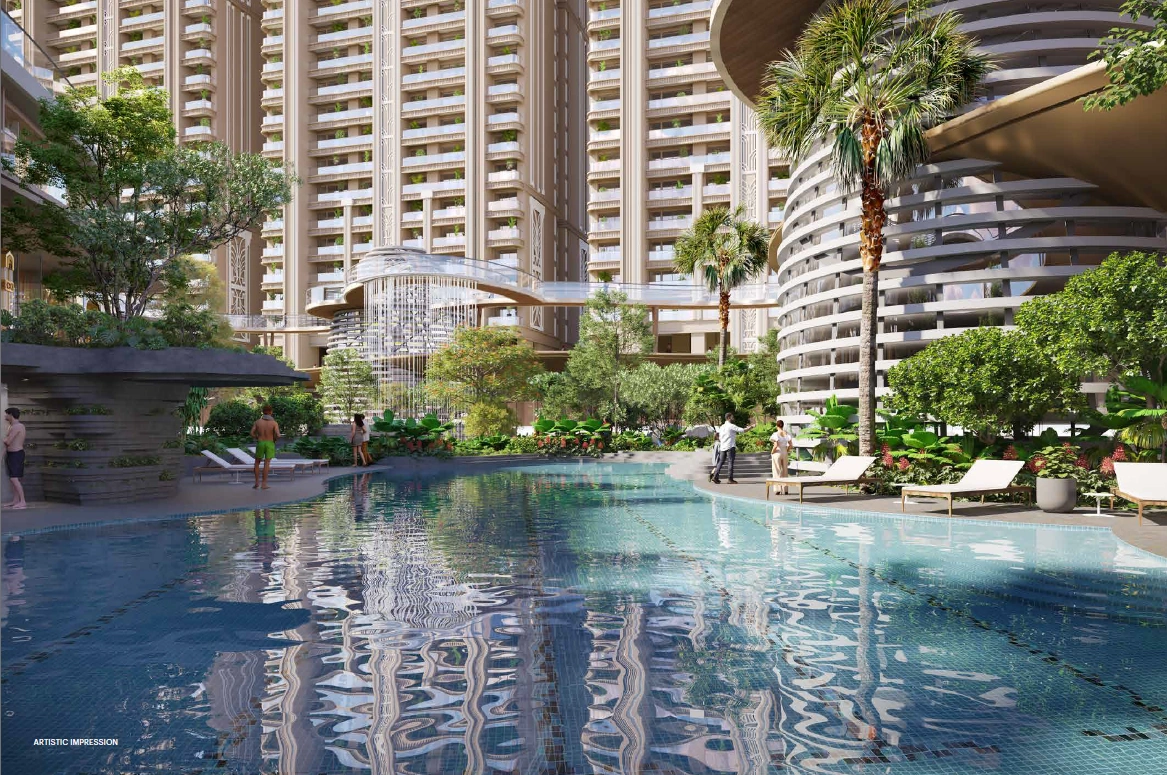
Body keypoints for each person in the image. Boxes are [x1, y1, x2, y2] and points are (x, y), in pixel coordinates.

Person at [710, 412, 752, 484]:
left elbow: (718, 436)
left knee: (720, 462)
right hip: (730, 446)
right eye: (732, 417)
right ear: (729, 418)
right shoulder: (731, 426)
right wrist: (751, 427)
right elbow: (743, 430)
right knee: (730, 462)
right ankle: (730, 479)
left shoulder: (722, 427)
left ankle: (715, 477)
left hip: (723, 447)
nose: (733, 418)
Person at [249, 405, 281, 489]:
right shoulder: (274, 423)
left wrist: (257, 437)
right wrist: (275, 439)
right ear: (271, 412)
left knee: (257, 463)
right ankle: (264, 484)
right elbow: (278, 435)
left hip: (260, 442)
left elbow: (251, 433)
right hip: (270, 443)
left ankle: (256, 482)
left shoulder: (258, 422)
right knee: (267, 463)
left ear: (263, 412)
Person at [3, 407, 27, 510]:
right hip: (11, 454)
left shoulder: (18, 426)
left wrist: (4, 439)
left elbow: (8, 441)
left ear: (11, 415)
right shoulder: (12, 426)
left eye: (7, 414)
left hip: (17, 454)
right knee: (13, 479)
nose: (5, 416)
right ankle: (15, 500)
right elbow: (7, 444)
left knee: (14, 478)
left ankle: (23, 501)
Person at [769, 419, 793, 495]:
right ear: (783, 425)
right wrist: (787, 450)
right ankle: (785, 489)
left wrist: (772, 452)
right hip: (784, 451)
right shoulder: (787, 434)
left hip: (777, 452)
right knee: (785, 470)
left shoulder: (775, 434)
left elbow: (776, 445)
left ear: (777, 426)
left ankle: (778, 489)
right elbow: (791, 445)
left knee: (777, 470)